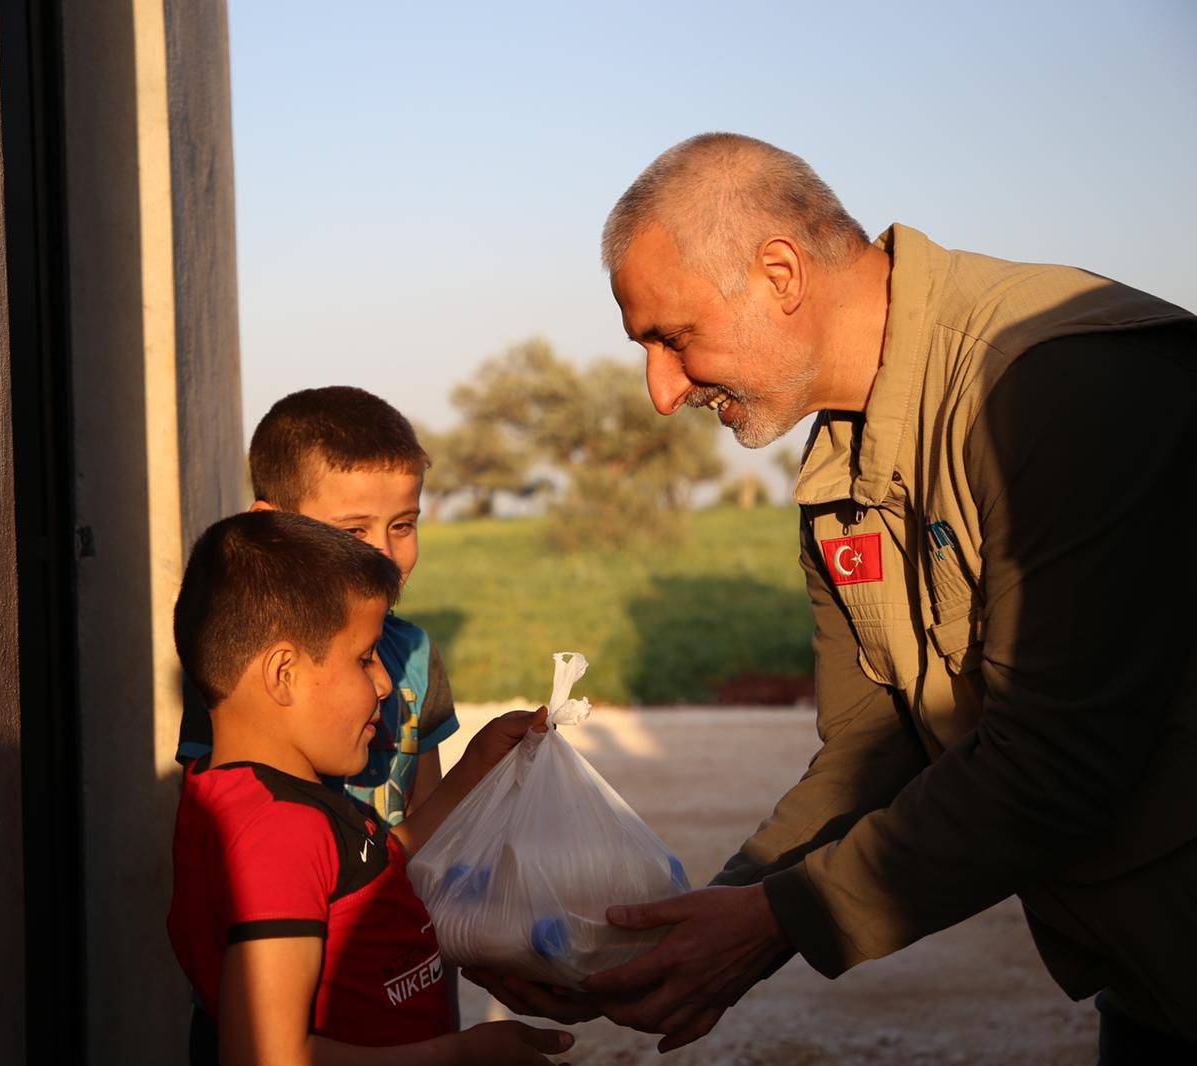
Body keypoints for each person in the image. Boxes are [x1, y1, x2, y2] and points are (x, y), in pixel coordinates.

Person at [466, 132, 1196, 1061]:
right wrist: (699, 926)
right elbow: (874, 744)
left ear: (780, 273)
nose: (661, 392)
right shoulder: (838, 470)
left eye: (672, 338)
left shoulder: (1052, 382)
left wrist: (774, 921)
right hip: (1154, 988)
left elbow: (1059, 761)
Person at [166, 510, 575, 1064]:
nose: (384, 682)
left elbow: (370, 872)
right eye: (364, 659)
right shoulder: (278, 833)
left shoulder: (264, 800)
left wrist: (476, 767)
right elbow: (267, 1055)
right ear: (283, 673)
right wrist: (459, 1055)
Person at [177, 386, 460, 830]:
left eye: (403, 525)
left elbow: (432, 825)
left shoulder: (415, 654)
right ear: (271, 527)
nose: (385, 555)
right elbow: (216, 827)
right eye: (354, 532)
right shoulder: (239, 658)